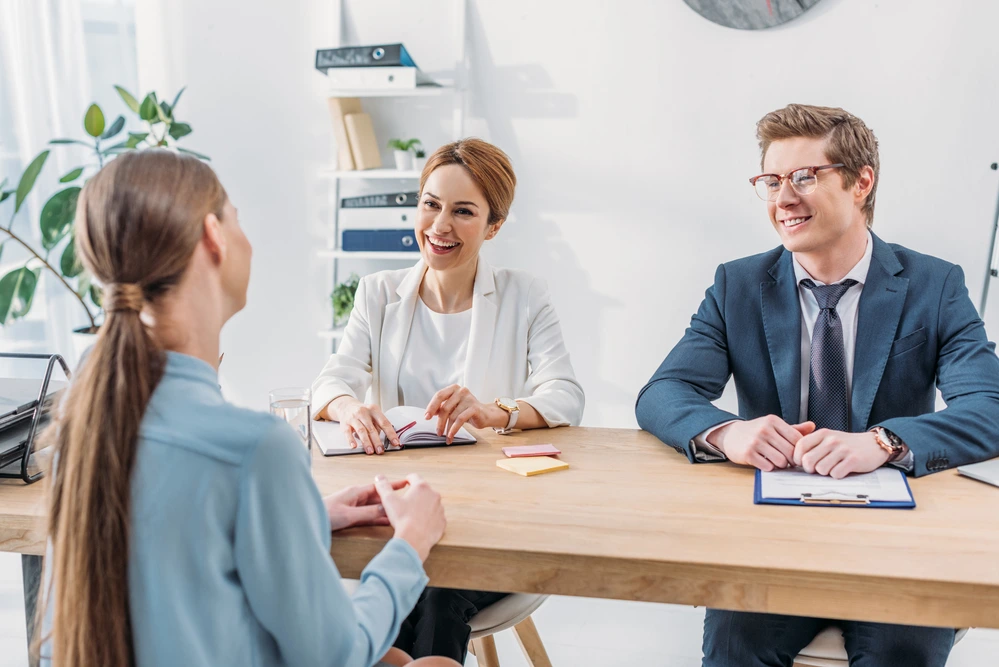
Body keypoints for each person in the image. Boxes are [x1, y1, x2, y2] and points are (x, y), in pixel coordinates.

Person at [36, 150, 457, 667]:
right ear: (213, 237)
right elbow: (337, 653)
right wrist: (411, 543)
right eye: (237, 219)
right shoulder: (253, 448)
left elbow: (172, 554)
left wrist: (300, 521)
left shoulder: (83, 421)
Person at [636, 104, 999, 667]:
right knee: (733, 648)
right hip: (775, 537)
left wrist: (883, 441)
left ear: (861, 182)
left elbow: (989, 407)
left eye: (805, 176)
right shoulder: (738, 284)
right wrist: (728, 433)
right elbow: (663, 393)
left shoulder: (934, 284)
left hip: (898, 543)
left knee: (903, 652)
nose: (783, 198)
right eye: (771, 180)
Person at [312, 138, 584, 662]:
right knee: (412, 585)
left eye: (463, 211)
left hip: (492, 522)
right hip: (403, 513)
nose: (439, 226)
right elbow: (331, 381)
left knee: (432, 593)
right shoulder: (378, 292)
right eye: (431, 204)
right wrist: (350, 407)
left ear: (493, 225)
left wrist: (494, 410)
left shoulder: (524, 294)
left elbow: (565, 395)